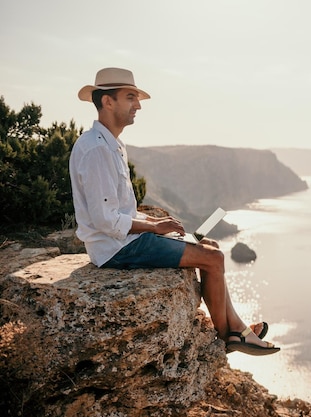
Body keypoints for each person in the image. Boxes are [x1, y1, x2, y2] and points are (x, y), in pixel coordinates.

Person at [69, 67, 279, 356]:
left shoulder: (113, 145)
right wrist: (154, 229)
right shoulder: (96, 150)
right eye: (130, 97)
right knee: (214, 258)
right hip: (115, 248)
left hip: (123, 241)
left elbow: (120, 209)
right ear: (107, 101)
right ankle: (230, 335)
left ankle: (237, 328)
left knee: (211, 245)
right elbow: (105, 219)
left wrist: (154, 220)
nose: (138, 105)